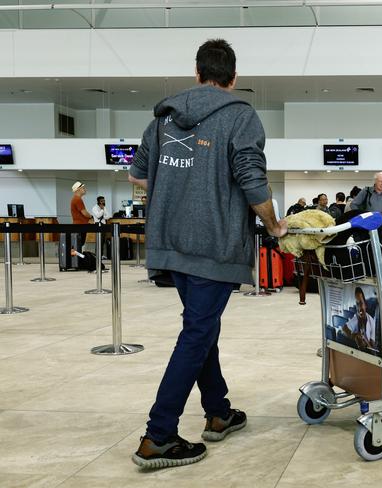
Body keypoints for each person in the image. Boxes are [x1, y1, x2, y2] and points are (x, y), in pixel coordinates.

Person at [128, 38, 287, 469]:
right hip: (212, 245)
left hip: (170, 244)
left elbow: (138, 176)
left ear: (197, 74)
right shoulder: (240, 116)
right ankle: (158, 435)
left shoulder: (163, 117)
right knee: (197, 334)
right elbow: (252, 180)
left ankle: (218, 411)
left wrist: (178, 188)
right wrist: (274, 225)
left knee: (202, 328)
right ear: (233, 79)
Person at [342, 287, 376, 351]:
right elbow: (344, 328)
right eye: (357, 304)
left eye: (361, 303)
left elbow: (373, 350)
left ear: (365, 305)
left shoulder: (372, 322)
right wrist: (354, 336)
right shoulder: (356, 318)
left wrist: (365, 341)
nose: (359, 308)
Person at [70, 181, 92, 250]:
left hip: (79, 225)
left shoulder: (76, 199)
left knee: (79, 244)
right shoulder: (77, 199)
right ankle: (78, 259)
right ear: (78, 189)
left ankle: (78, 259)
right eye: (83, 188)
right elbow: (84, 212)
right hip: (80, 225)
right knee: (79, 244)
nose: (85, 189)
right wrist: (91, 217)